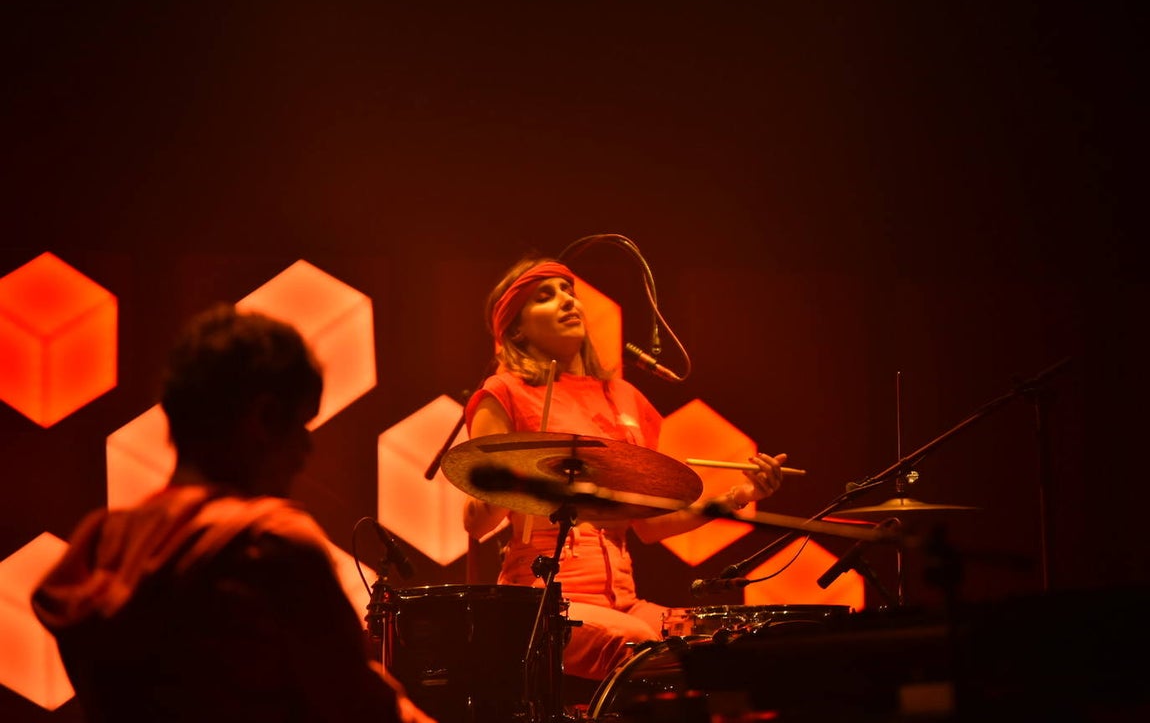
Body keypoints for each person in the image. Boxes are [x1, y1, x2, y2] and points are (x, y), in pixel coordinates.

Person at [31, 304, 436, 723]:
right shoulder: (270, 544)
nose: (306, 451)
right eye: (301, 425)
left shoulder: (102, 547)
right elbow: (364, 711)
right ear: (263, 419)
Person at [462, 253, 789, 683]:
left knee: (719, 642)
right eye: (545, 295)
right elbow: (474, 521)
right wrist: (510, 473)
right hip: (542, 602)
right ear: (516, 328)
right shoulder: (505, 391)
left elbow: (650, 526)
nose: (566, 301)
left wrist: (739, 497)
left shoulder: (623, 397)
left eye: (568, 291)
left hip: (625, 603)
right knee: (640, 649)